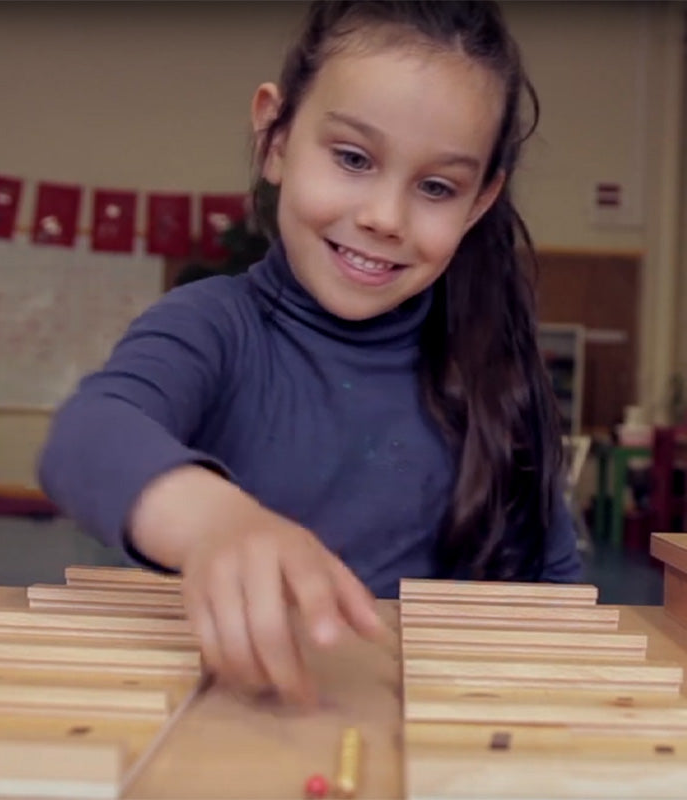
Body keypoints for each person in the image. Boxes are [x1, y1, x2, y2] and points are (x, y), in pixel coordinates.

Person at [38, 0, 582, 705]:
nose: (385, 217)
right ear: (276, 138)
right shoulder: (215, 326)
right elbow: (86, 435)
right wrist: (216, 522)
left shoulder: (498, 373)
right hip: (234, 731)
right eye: (353, 158)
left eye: (438, 187)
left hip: (422, 743)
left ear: (479, 203)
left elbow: (559, 603)